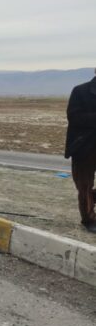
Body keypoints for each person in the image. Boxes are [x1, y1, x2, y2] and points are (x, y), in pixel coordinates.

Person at [65, 69, 96, 233]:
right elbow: (74, 117)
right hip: (84, 147)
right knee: (84, 186)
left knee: (88, 191)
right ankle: (89, 219)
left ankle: (91, 199)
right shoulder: (80, 91)